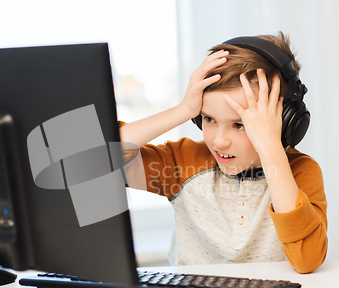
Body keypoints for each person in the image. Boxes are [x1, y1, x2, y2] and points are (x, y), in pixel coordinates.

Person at [119, 32, 327, 274]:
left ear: (285, 123)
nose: (219, 140)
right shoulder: (181, 162)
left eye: (240, 124)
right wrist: (182, 110)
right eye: (209, 119)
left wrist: (271, 147)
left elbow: (308, 260)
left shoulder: (301, 172)